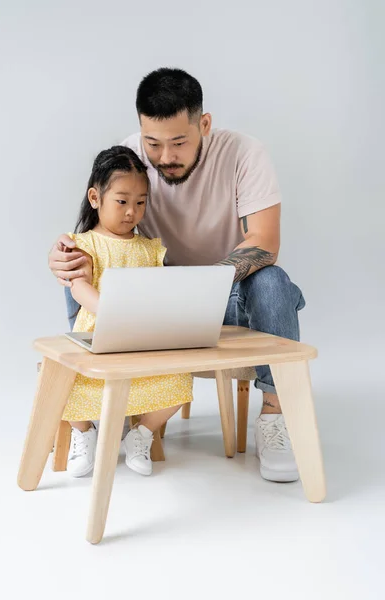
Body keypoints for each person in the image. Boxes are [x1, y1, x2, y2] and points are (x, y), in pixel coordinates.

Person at [49, 67, 306, 483]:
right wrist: (62, 255)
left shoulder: (244, 152)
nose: (165, 157)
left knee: (273, 281)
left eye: (179, 142)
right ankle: (92, 396)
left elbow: (264, 241)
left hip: (227, 294)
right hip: (156, 300)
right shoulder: (131, 158)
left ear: (204, 124)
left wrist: (202, 288)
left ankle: (277, 415)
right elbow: (104, 227)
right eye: (153, 142)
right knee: (81, 266)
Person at [61, 144, 192, 478]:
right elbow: (79, 287)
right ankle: (84, 433)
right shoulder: (85, 244)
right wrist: (110, 311)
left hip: (139, 337)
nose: (131, 212)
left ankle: (142, 433)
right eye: (121, 201)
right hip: (97, 334)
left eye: (140, 202)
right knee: (64, 383)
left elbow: (160, 292)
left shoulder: (150, 249)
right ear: (95, 197)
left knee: (179, 382)